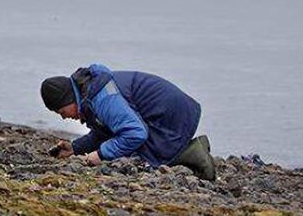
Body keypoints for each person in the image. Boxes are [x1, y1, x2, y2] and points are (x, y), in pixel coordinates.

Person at [40, 63, 216, 180]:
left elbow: (135, 133)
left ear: (69, 99)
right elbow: (105, 132)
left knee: (139, 159)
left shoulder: (103, 98)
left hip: (172, 118)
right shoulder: (90, 93)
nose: (63, 117)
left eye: (62, 111)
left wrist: (101, 155)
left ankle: (195, 154)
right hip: (168, 113)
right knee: (123, 148)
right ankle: (186, 151)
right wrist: (75, 148)